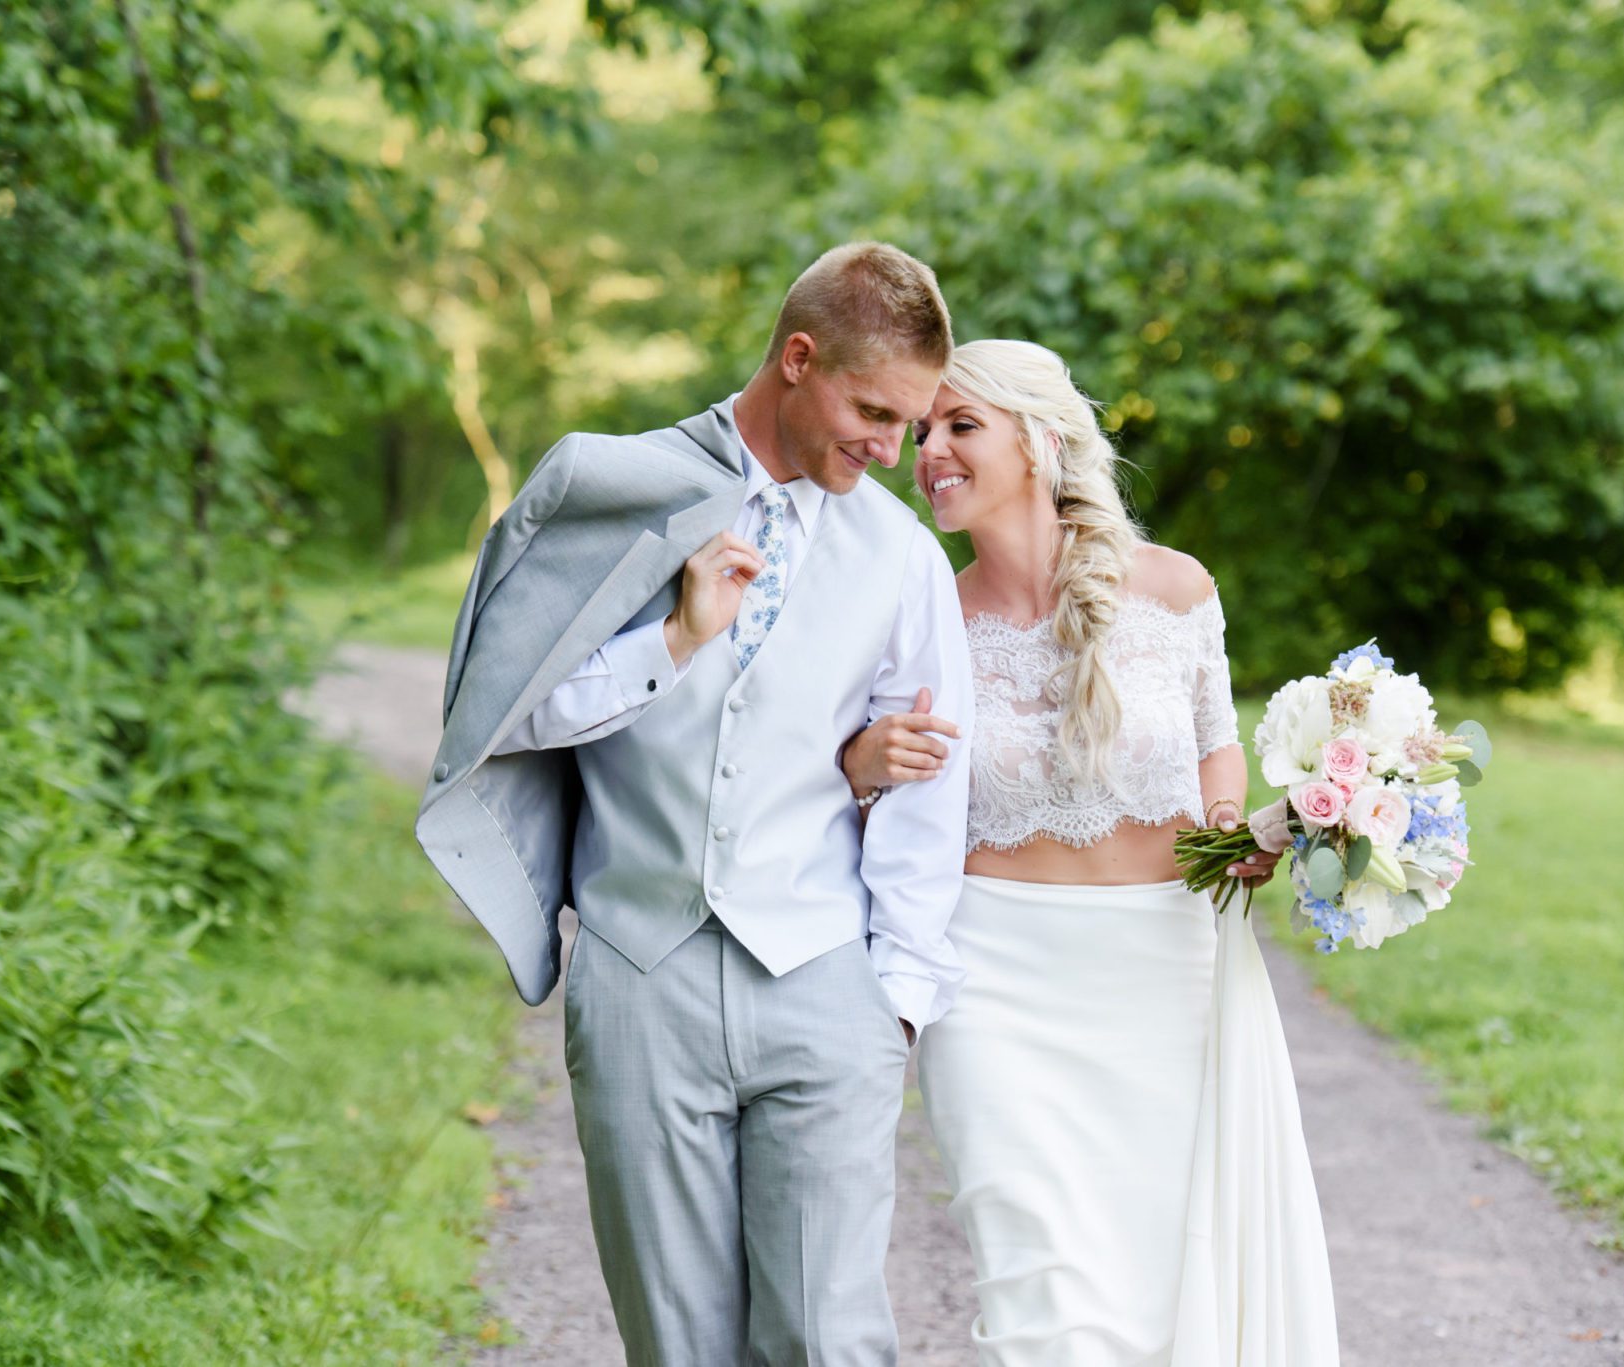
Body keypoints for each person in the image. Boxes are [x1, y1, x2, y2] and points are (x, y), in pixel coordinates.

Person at [416, 242, 976, 1365]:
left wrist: (895, 1003)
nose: (888, 447)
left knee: (828, 1336)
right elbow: (499, 718)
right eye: (871, 409)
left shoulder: (899, 556)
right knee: (676, 1342)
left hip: (823, 982)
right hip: (641, 976)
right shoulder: (609, 489)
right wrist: (670, 643)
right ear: (796, 358)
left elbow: (929, 784)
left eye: (909, 424)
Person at [841, 338, 1338, 1365]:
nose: (926, 449)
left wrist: (1236, 830)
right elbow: (842, 778)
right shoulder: (917, 609)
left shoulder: (1176, 589)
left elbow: (1213, 741)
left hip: (1164, 972)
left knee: (1165, 1295)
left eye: (957, 425)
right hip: (990, 982)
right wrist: (861, 757)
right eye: (922, 429)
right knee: (1042, 1303)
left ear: (1040, 440)